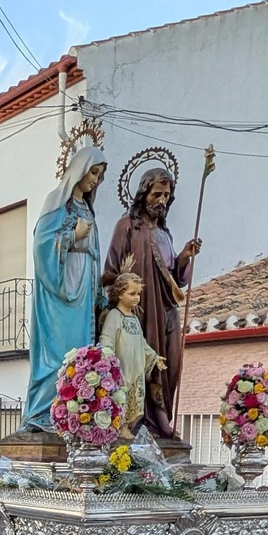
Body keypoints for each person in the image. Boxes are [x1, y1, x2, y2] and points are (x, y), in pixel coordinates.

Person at [102, 165, 200, 440]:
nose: (162, 201)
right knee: (140, 362)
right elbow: (110, 272)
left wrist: (183, 257)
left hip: (167, 307)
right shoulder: (128, 227)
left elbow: (173, 278)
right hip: (141, 312)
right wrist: (124, 296)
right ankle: (141, 421)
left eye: (167, 196)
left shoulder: (165, 234)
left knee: (171, 361)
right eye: (157, 194)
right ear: (143, 193)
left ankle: (161, 419)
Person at [23, 136, 106, 431]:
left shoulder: (88, 210)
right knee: (58, 351)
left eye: (99, 175)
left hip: (84, 289)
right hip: (59, 289)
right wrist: (73, 236)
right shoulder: (56, 203)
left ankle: (75, 409)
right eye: (92, 172)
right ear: (78, 170)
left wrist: (100, 294)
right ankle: (43, 411)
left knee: (80, 349)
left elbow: (95, 253)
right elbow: (41, 245)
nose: (95, 180)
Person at [98, 265, 164, 435]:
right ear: (120, 294)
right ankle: (120, 426)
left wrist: (154, 357)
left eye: (138, 294)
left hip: (136, 369)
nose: (137, 298)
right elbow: (107, 340)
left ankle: (127, 426)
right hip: (122, 370)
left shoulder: (134, 318)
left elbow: (141, 343)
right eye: (132, 293)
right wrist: (108, 362)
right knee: (121, 397)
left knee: (136, 399)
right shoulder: (114, 316)